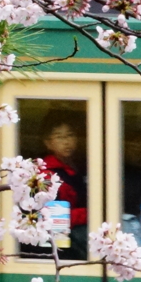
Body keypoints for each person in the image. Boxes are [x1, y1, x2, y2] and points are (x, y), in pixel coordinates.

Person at [39, 110, 87, 259]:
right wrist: (91, 213)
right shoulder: (47, 174)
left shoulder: (79, 167)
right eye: (59, 137)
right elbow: (55, 218)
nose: (66, 142)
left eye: (70, 136)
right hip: (61, 245)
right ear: (47, 142)